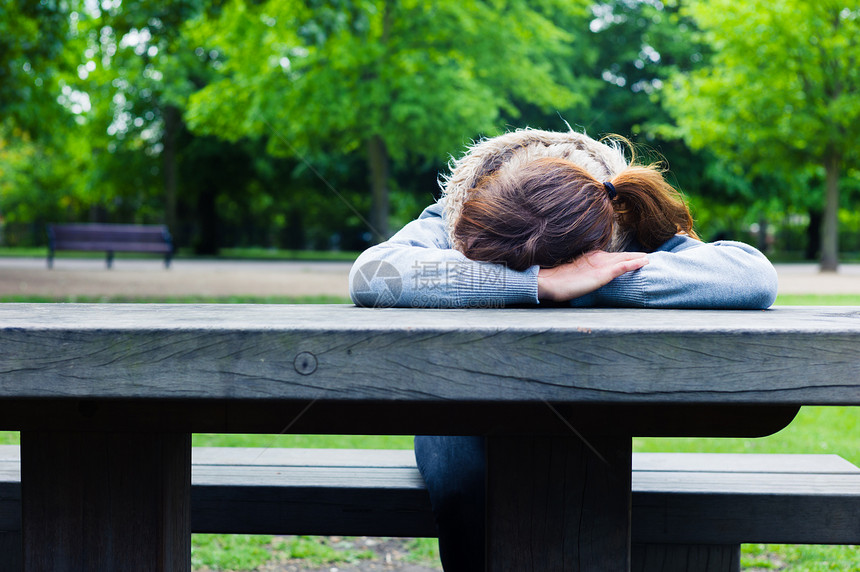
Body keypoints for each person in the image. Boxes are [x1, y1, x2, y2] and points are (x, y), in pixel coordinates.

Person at [348, 128, 778, 571]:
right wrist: (537, 283)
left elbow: (752, 277)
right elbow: (373, 275)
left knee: (587, 489)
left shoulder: (617, 217)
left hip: (587, 408)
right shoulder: (464, 207)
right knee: (465, 486)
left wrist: (595, 281)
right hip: (461, 403)